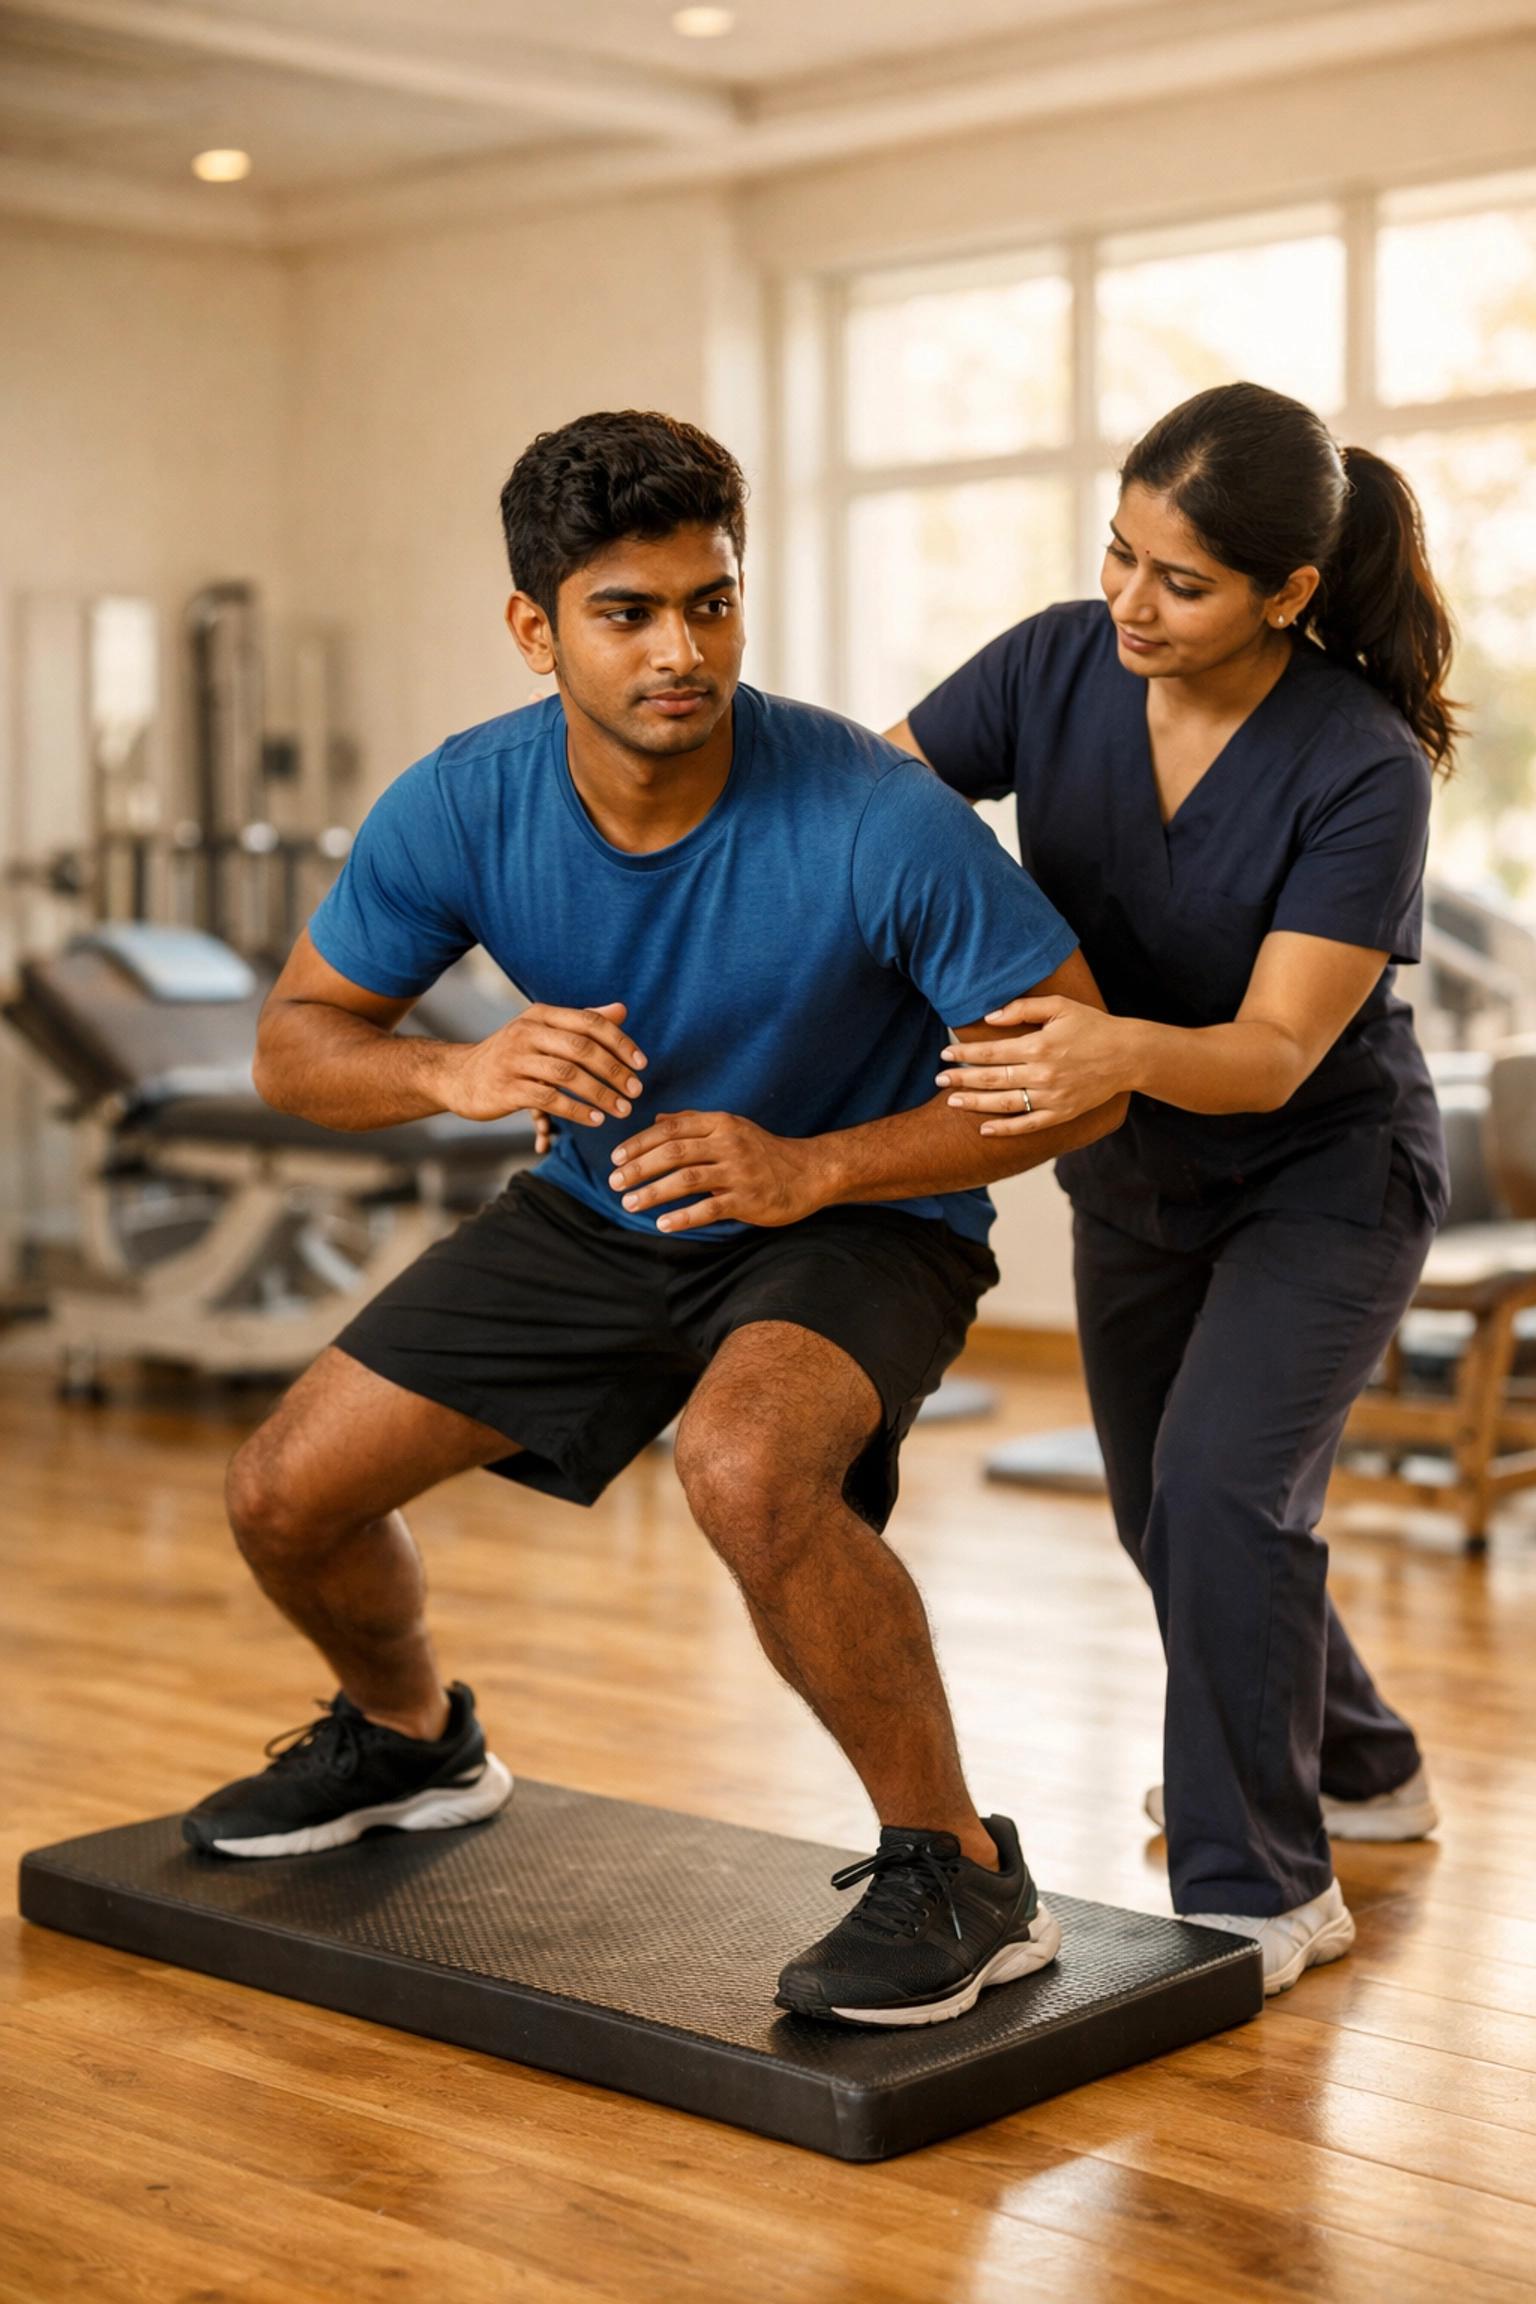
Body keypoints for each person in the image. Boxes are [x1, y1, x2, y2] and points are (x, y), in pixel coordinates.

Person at [181, 409, 1127, 2029]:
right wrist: (456, 1069)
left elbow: (1082, 1080)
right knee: (283, 1493)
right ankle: (411, 1741)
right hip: (599, 1204)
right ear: (534, 629)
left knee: (746, 1467)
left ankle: (962, 1870)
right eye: (627, 613)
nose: (682, 651)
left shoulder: (875, 813)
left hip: (856, 1215)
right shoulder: (461, 803)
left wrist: (809, 1170)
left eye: (712, 602)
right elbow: (295, 1045)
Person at [886, 381, 1452, 1996]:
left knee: (1217, 1496)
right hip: (1134, 1169)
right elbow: (880, 804)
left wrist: (1105, 1046)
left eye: (1182, 581)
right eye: (1119, 553)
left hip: (1325, 1177)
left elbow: (1272, 1052)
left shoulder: (1362, 764)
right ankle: (1365, 1760)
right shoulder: (1055, 663)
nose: (1131, 601)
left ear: (1287, 593)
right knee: (1172, 1515)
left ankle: (1265, 1883)